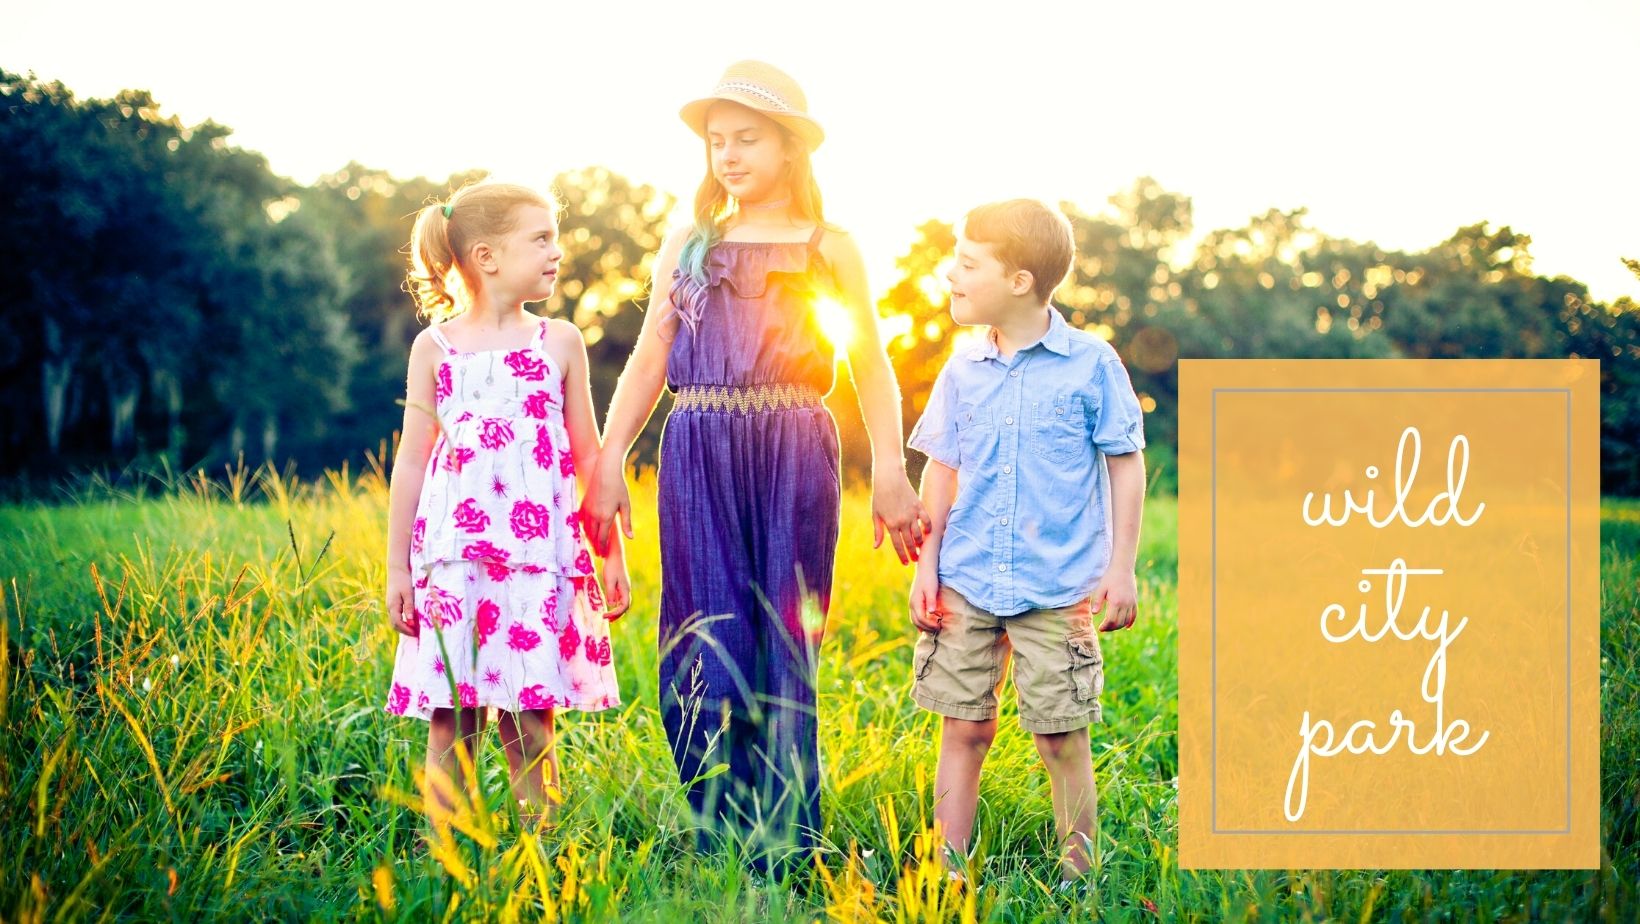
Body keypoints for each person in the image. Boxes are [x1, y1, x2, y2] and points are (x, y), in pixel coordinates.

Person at [579, 60, 929, 873]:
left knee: (783, 638)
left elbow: (872, 363)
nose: (728, 156)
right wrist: (607, 458)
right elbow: (649, 358)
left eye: (746, 139)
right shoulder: (689, 243)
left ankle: (784, 842)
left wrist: (891, 470)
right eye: (715, 142)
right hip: (698, 446)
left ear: (790, 149)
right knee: (704, 637)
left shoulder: (829, 246)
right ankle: (718, 833)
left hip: (795, 449)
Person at [905, 198, 1146, 889]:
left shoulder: (1090, 364)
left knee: (1060, 736)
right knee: (963, 728)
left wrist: (1120, 567)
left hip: (1055, 584)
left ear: (1018, 281)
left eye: (968, 263)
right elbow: (942, 468)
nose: (951, 274)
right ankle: (945, 873)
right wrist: (928, 563)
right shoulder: (963, 369)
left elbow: (1124, 460)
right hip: (969, 575)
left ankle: (1079, 876)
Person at [381, 181, 630, 830]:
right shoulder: (434, 348)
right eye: (541, 239)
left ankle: (538, 853)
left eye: (556, 237)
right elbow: (411, 462)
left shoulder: (560, 342)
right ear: (487, 256)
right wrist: (398, 570)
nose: (557, 251)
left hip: (534, 560)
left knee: (532, 716)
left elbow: (589, 461)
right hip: (453, 560)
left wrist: (612, 559)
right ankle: (447, 859)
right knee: (451, 720)